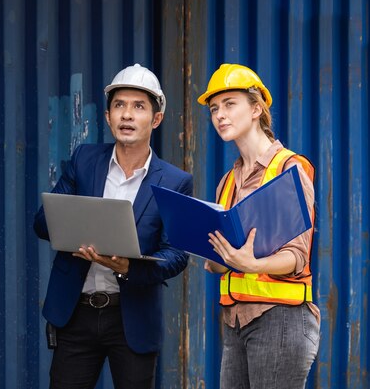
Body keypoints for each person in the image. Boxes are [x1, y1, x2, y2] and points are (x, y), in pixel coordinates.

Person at [34, 63, 193, 389]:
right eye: (119, 105)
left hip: (131, 318)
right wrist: (71, 226)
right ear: (108, 117)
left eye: (138, 107)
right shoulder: (84, 159)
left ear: (156, 119)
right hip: (76, 312)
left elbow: (176, 255)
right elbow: (43, 223)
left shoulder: (176, 182)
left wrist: (128, 267)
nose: (127, 115)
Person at [198, 63, 320, 388]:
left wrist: (253, 264)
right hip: (236, 322)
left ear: (256, 108)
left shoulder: (289, 169)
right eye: (214, 109)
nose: (220, 115)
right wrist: (215, 257)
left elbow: (297, 256)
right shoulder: (227, 182)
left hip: (281, 319)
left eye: (229, 104)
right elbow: (224, 258)